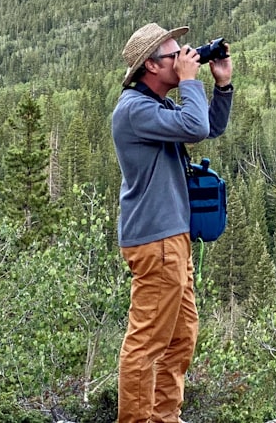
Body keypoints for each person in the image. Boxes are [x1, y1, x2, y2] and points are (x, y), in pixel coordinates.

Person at [112, 22, 233, 423]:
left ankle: (165, 417)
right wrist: (190, 82)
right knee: (146, 342)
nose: (183, 58)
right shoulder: (135, 110)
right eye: (173, 54)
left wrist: (222, 87)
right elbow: (194, 125)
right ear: (150, 65)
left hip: (172, 239)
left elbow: (207, 127)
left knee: (180, 338)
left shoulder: (157, 106)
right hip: (157, 240)